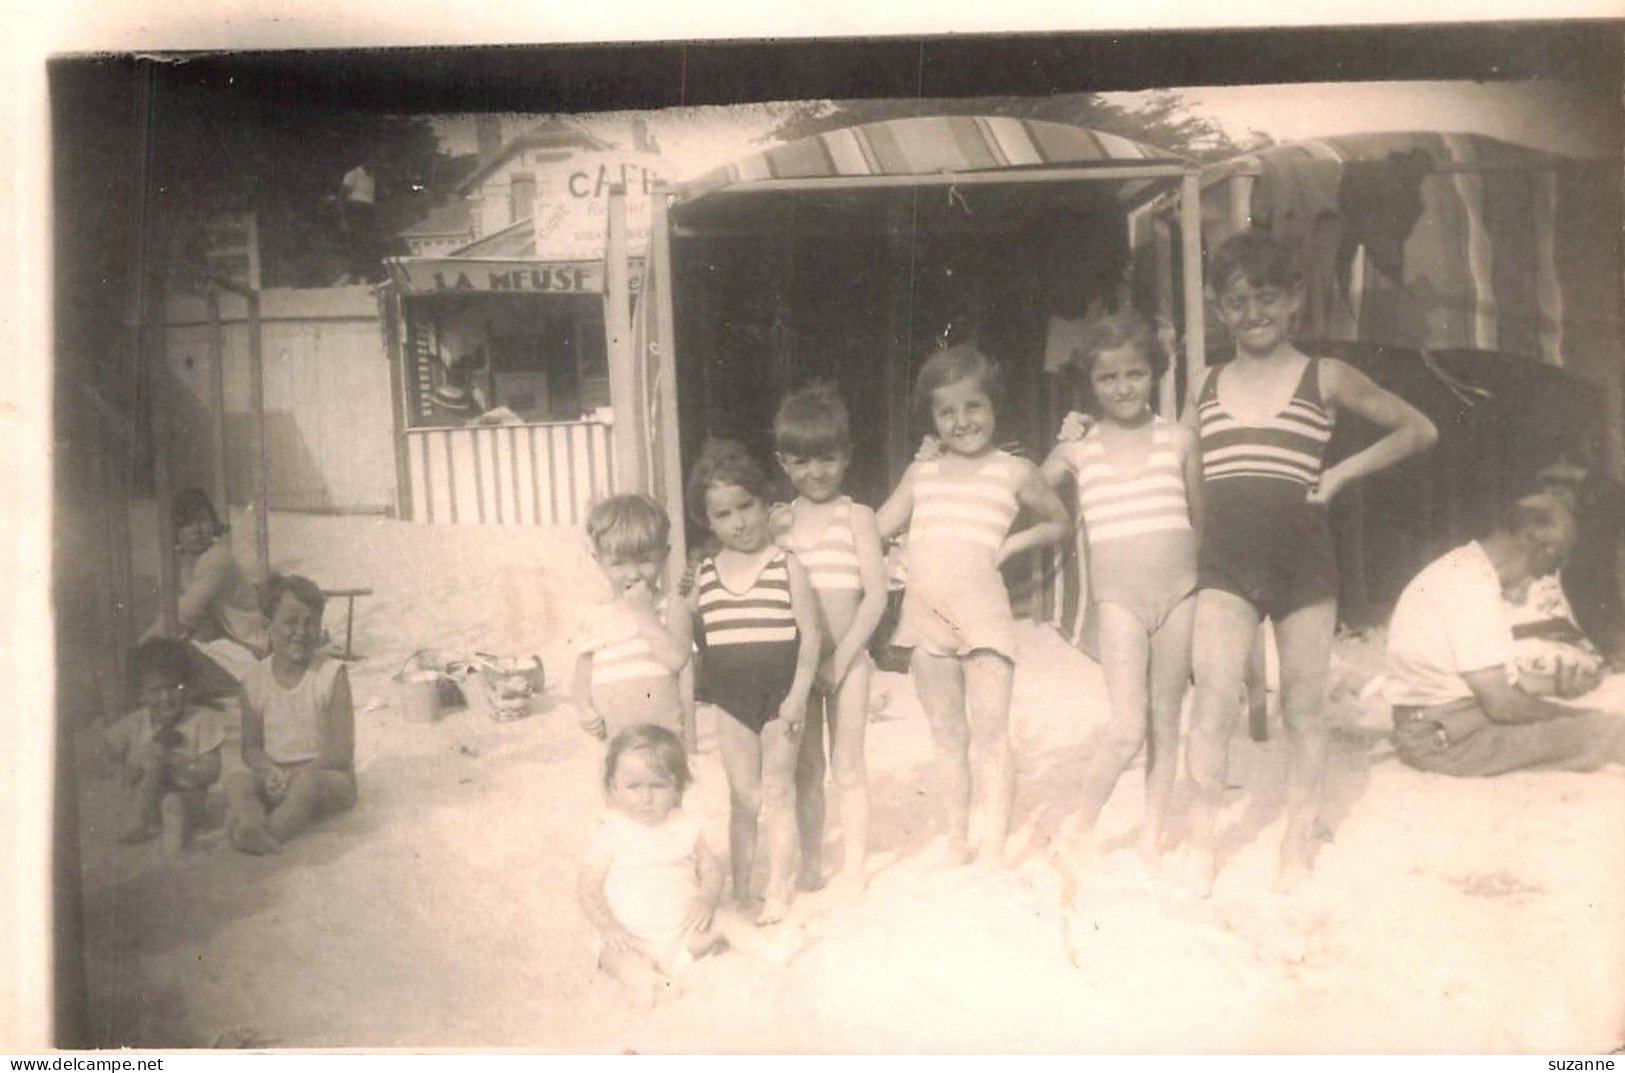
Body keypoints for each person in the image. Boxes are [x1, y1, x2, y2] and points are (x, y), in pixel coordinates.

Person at [1183, 230, 1438, 895]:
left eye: (1266, 296)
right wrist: (1201, 544)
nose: (1252, 312)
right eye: (1235, 300)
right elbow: (1191, 474)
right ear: (1218, 308)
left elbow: (1418, 427)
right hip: (1225, 566)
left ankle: (1297, 834)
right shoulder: (1204, 384)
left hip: (1302, 562)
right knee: (1210, 701)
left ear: (1294, 298)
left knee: (1302, 705)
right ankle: (1202, 841)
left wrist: (1339, 474)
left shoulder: (1322, 374)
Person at [877, 345, 1071, 867]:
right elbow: (877, 526)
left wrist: (1011, 546)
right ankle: (955, 839)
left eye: (974, 407)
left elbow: (1057, 520)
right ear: (933, 419)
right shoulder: (923, 474)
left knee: (990, 736)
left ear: (994, 407)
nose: (962, 421)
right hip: (926, 621)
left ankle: (991, 849)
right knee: (946, 737)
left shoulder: (1013, 471)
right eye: (947, 411)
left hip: (985, 618)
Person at [1039, 313, 1202, 870]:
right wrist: (1060, 441)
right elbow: (1030, 491)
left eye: (1135, 374)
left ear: (1153, 373)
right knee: (1127, 726)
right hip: (1119, 602)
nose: (1123, 387)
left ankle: (1152, 836)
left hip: (1180, 594)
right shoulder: (1080, 451)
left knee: (1165, 720)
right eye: (1109, 379)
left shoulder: (1178, 440)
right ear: (1092, 383)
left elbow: (1199, 524)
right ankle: (1082, 825)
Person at [1385, 489, 1624, 775]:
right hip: (1449, 737)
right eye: (1556, 558)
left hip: (1440, 724)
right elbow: (1501, 705)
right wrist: (1578, 716)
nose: (1548, 575)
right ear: (1532, 538)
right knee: (1610, 730)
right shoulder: (1469, 586)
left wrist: (1552, 687)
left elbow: (1481, 680)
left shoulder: (1466, 570)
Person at [684, 441, 822, 923]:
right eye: (723, 514)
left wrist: (799, 696)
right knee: (742, 798)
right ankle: (741, 888)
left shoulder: (786, 566)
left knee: (778, 791)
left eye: (746, 507)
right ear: (708, 520)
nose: (738, 522)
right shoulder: (702, 575)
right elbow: (682, 640)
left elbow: (811, 636)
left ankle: (779, 888)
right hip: (731, 702)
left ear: (767, 505)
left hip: (781, 698)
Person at [578, 726, 801, 1008]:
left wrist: (706, 900)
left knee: (724, 920)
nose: (646, 798)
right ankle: (646, 981)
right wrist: (608, 927)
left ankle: (770, 949)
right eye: (633, 787)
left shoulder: (684, 826)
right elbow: (587, 890)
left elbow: (712, 870)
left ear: (677, 789)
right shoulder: (610, 830)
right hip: (631, 935)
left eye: (658, 786)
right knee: (613, 955)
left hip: (686, 932)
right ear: (613, 788)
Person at [772, 383, 888, 898]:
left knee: (848, 765)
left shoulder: (857, 516)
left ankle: (856, 865)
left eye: (826, 459)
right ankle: (813, 860)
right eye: (800, 461)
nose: (814, 473)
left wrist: (840, 661)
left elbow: (877, 597)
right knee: (807, 768)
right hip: (798, 668)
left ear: (846, 456)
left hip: (848, 662)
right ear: (782, 463)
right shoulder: (780, 521)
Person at [224, 575, 357, 854]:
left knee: (306, 786)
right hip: (277, 775)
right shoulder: (254, 681)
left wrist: (297, 775)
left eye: (310, 622)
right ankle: (250, 823)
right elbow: (251, 748)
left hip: (326, 777)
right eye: (290, 622)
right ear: (267, 626)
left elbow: (341, 751)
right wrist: (269, 771)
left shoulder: (331, 674)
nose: (301, 631)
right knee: (237, 782)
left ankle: (270, 834)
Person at [570, 495, 693, 742]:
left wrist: (644, 614)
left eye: (645, 560)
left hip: (663, 736)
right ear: (599, 562)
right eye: (617, 564)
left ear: (665, 555)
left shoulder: (671, 606)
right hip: (613, 738)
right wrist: (584, 709)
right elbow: (581, 675)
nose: (633, 574)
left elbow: (677, 659)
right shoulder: (597, 613)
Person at [105, 638, 226, 853]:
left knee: (173, 803)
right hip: (145, 799)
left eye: (176, 687)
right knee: (151, 763)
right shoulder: (134, 723)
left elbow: (212, 771)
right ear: (140, 694)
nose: (166, 698)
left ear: (189, 687)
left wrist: (178, 763)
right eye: (155, 690)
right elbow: (104, 754)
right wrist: (135, 763)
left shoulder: (202, 720)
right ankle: (139, 820)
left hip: (189, 799)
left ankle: (174, 839)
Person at [141, 488, 267, 694]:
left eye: (203, 520)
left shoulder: (217, 557)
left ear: (213, 523)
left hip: (248, 647)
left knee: (170, 658)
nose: (197, 530)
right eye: (187, 523)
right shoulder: (178, 561)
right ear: (176, 531)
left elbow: (182, 613)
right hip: (220, 645)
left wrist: (142, 646)